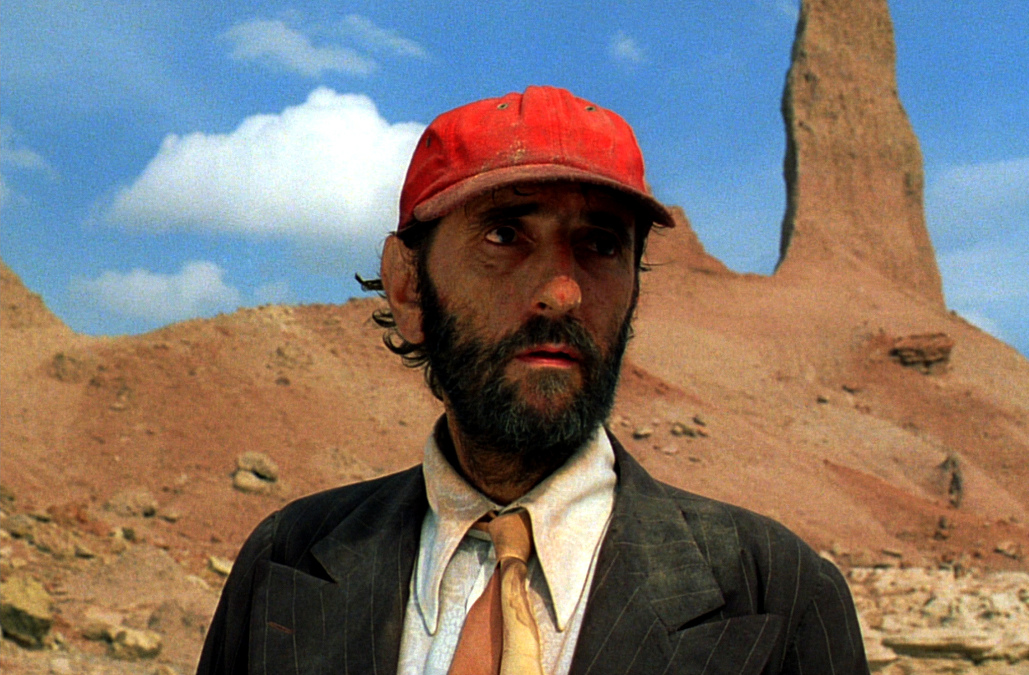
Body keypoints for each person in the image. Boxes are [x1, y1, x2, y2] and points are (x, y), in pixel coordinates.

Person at [197, 86, 868, 675]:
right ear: (407, 286)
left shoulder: (776, 594)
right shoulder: (285, 564)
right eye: (504, 235)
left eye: (601, 244)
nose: (562, 293)